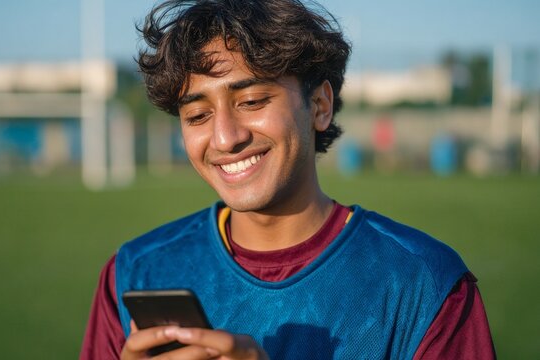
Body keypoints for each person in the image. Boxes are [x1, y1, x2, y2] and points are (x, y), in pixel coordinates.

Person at [81, 0, 495, 358]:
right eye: (198, 115)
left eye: (252, 101)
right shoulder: (135, 273)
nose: (226, 137)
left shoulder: (425, 284)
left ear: (319, 105)